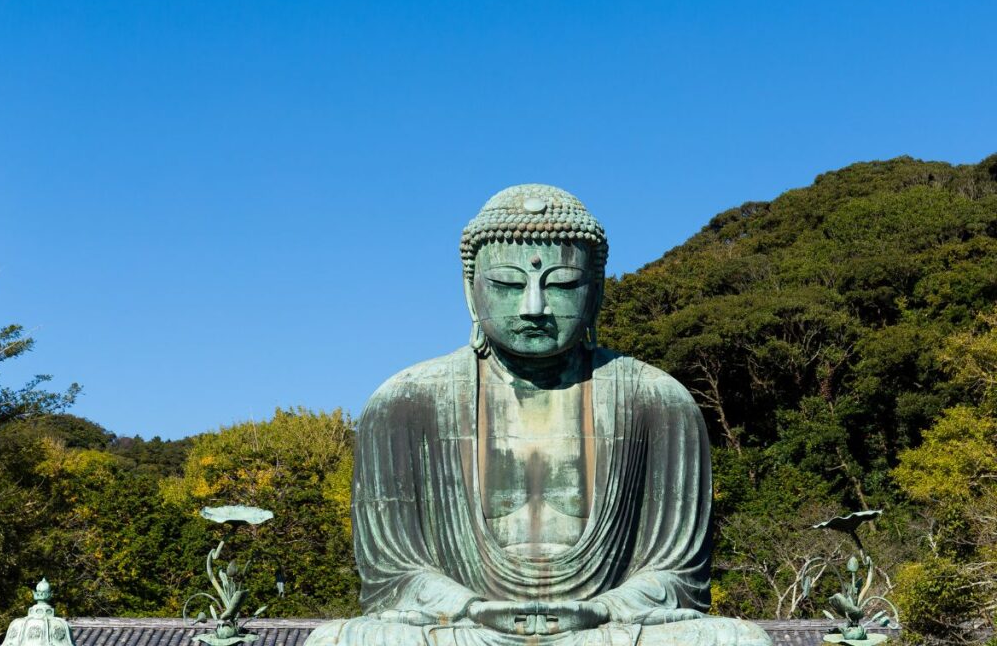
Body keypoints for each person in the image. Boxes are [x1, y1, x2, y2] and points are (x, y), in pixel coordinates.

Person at [307, 185, 771, 646]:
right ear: (471, 292)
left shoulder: (657, 400)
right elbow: (393, 576)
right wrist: (472, 608)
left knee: (738, 640)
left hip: (603, 629)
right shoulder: (405, 402)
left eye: (563, 285)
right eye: (508, 284)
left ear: (596, 293)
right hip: (467, 629)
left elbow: (678, 576)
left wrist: (603, 609)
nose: (534, 307)